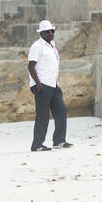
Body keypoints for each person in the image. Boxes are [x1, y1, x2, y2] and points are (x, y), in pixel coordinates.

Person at [27, 20, 71, 152]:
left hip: (53, 85)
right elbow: (31, 66)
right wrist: (38, 85)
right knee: (43, 116)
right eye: (47, 31)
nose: (50, 33)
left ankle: (59, 141)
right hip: (42, 86)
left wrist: (56, 83)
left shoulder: (52, 45)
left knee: (61, 112)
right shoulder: (37, 46)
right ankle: (37, 144)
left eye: (52, 31)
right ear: (41, 33)